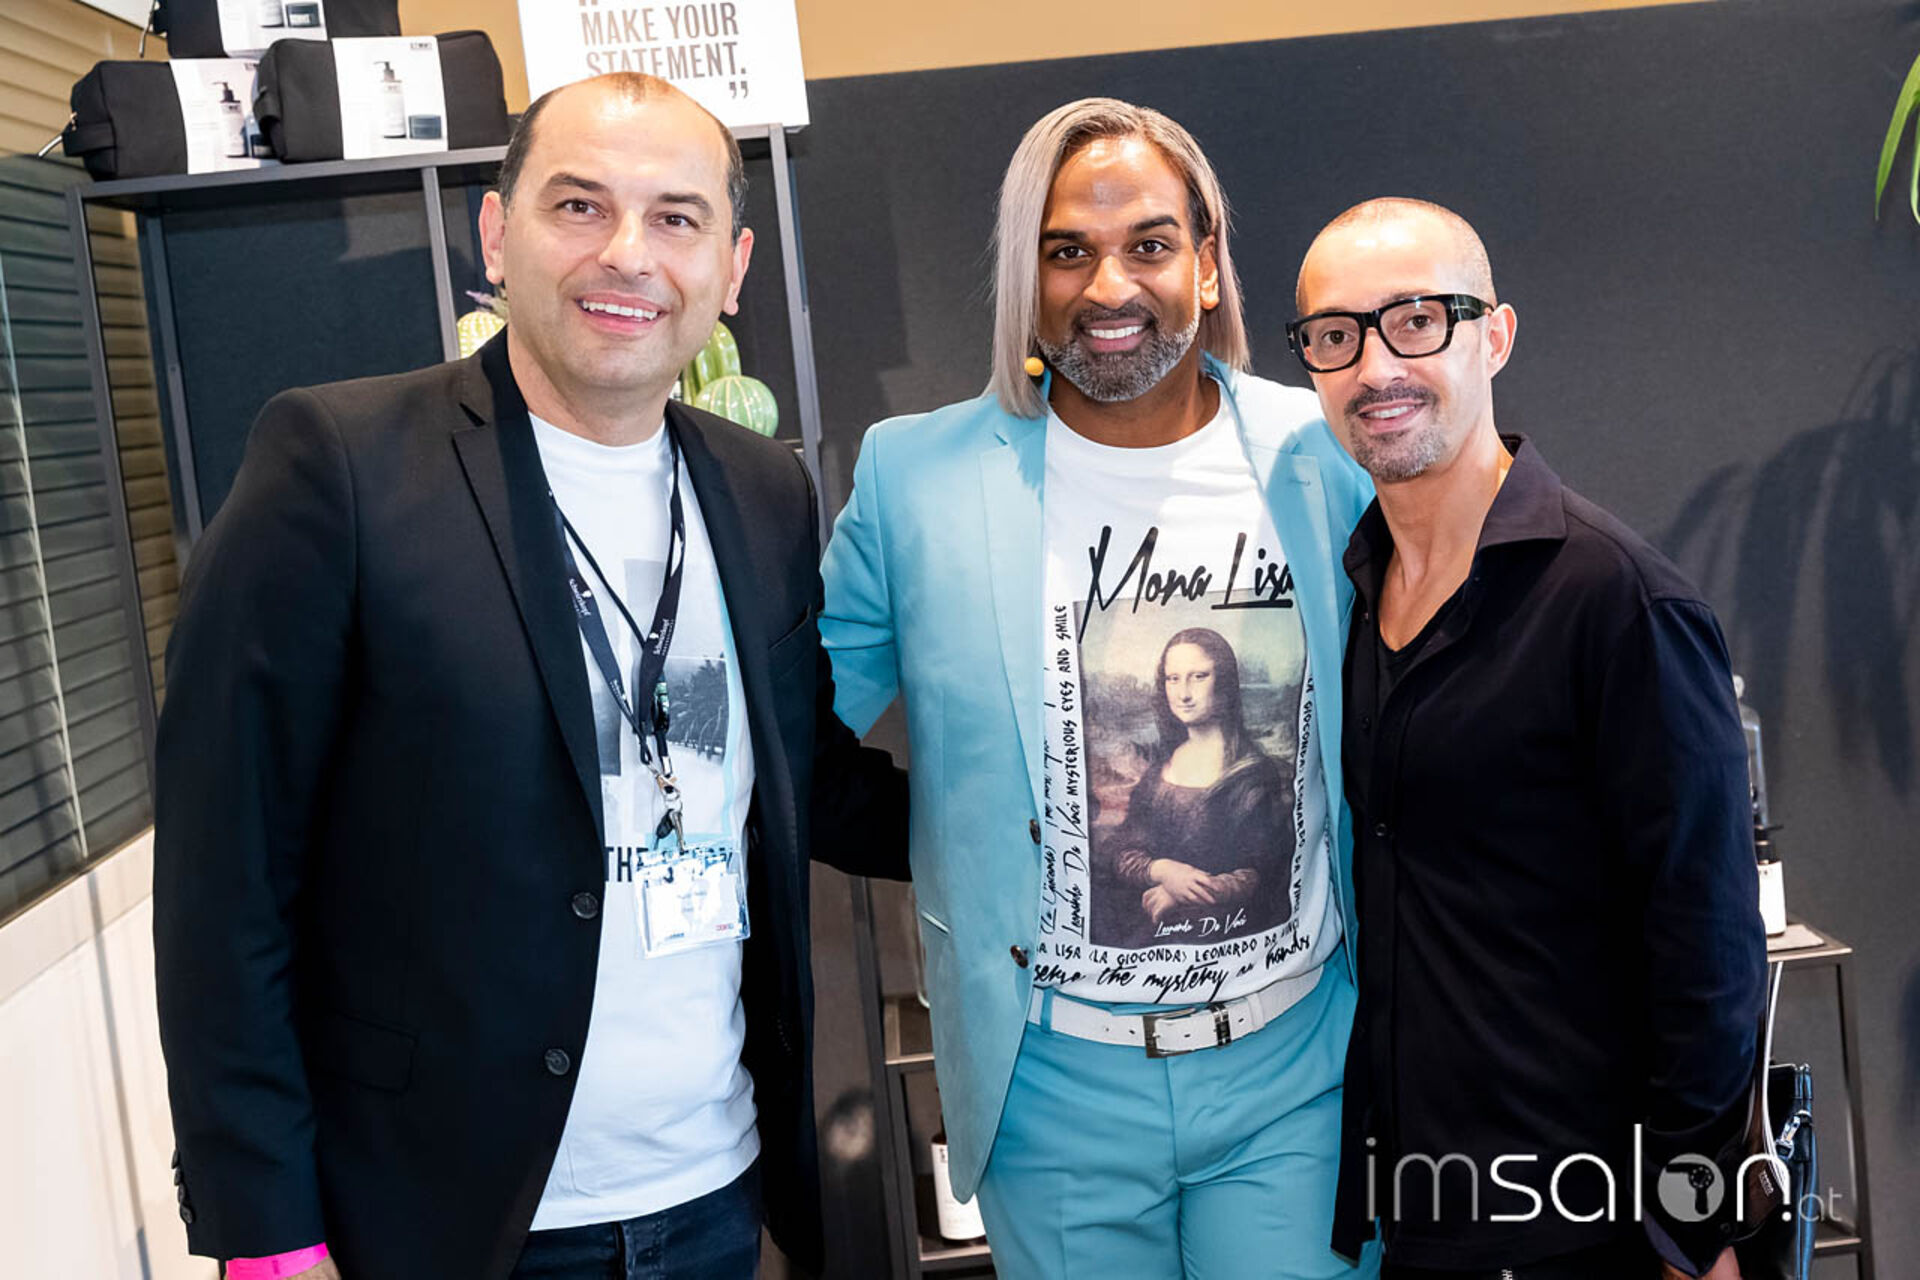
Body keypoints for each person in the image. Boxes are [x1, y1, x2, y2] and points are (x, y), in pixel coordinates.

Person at [152, 73, 906, 1280]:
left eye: (676, 217)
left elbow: (803, 774)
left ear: (732, 267)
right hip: (445, 1219)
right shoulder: (340, 466)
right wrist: (268, 1236)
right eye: (578, 205)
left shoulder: (762, 490)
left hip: (710, 1195)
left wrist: (1048, 825)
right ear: (498, 235)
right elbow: (223, 880)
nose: (628, 253)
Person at [820, 98, 1377, 1278]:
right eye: (1067, 249)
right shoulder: (915, 479)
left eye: (1150, 245)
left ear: (1208, 263)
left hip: (1298, 1070)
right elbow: (790, 732)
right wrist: (952, 834)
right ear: (1026, 280)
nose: (1108, 285)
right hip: (1052, 1089)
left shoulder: (1321, 450)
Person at [1286, 198, 1766, 1279]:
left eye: (1417, 320)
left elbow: (1709, 943)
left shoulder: (1618, 600)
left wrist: (1693, 1229)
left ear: (1494, 336)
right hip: (1426, 1206)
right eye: (1336, 335)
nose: (1375, 366)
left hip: (1588, 1218)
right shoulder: (1358, 584)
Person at [1106, 627, 1292, 942]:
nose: (1184, 694)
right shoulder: (1158, 771)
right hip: (1148, 934)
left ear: (1225, 682)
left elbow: (1263, 871)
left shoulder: (1253, 775)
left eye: (1199, 676)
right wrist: (1162, 870)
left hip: (1225, 935)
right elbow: (1121, 850)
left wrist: (1184, 892)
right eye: (1173, 678)